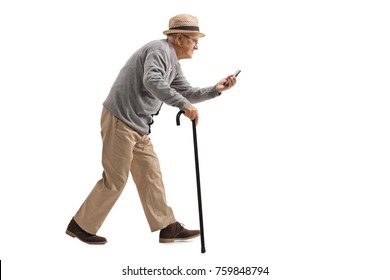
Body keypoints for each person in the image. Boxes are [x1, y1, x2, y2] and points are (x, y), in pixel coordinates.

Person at [65, 13, 237, 245]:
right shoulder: (159, 51)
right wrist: (184, 106)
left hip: (138, 126)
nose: (197, 45)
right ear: (178, 38)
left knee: (150, 174)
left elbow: (186, 92)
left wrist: (216, 89)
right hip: (120, 120)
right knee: (115, 180)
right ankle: (80, 225)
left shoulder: (172, 62)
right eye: (194, 39)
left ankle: (168, 227)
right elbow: (152, 81)